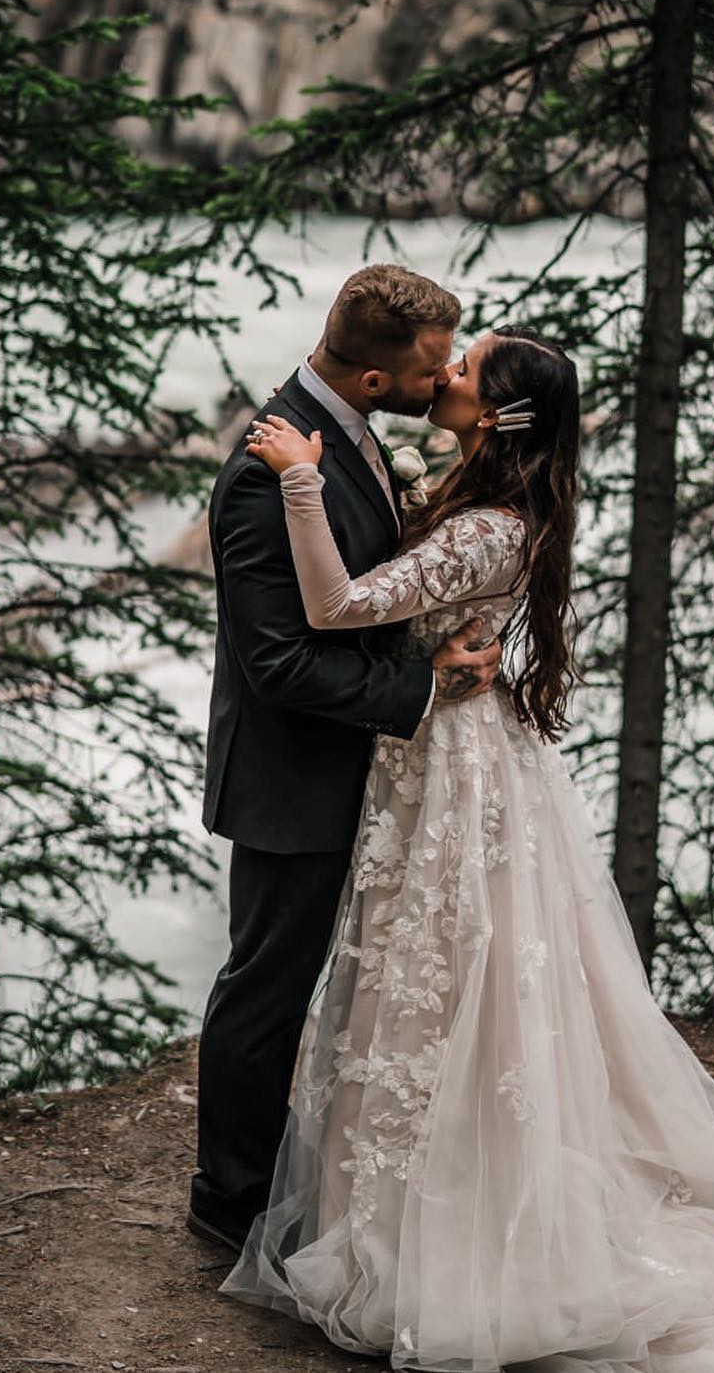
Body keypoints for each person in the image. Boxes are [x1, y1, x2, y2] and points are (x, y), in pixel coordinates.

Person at [218, 323, 714, 1373]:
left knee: (454, 974)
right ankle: (392, 1188)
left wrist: (300, 484)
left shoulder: (494, 526)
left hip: (451, 764)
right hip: (431, 754)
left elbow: (335, 603)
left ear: (500, 412)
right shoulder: (477, 491)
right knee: (418, 974)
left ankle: (452, 1212)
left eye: (462, 368)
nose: (443, 372)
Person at [188, 264, 504, 1254]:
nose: (445, 374)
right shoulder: (262, 471)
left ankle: (287, 1168)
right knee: (265, 987)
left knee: (306, 983)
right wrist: (421, 690)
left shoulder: (347, 436)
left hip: (351, 768)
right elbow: (276, 660)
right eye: (430, 366)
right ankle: (227, 1198)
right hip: (291, 779)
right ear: (374, 380)